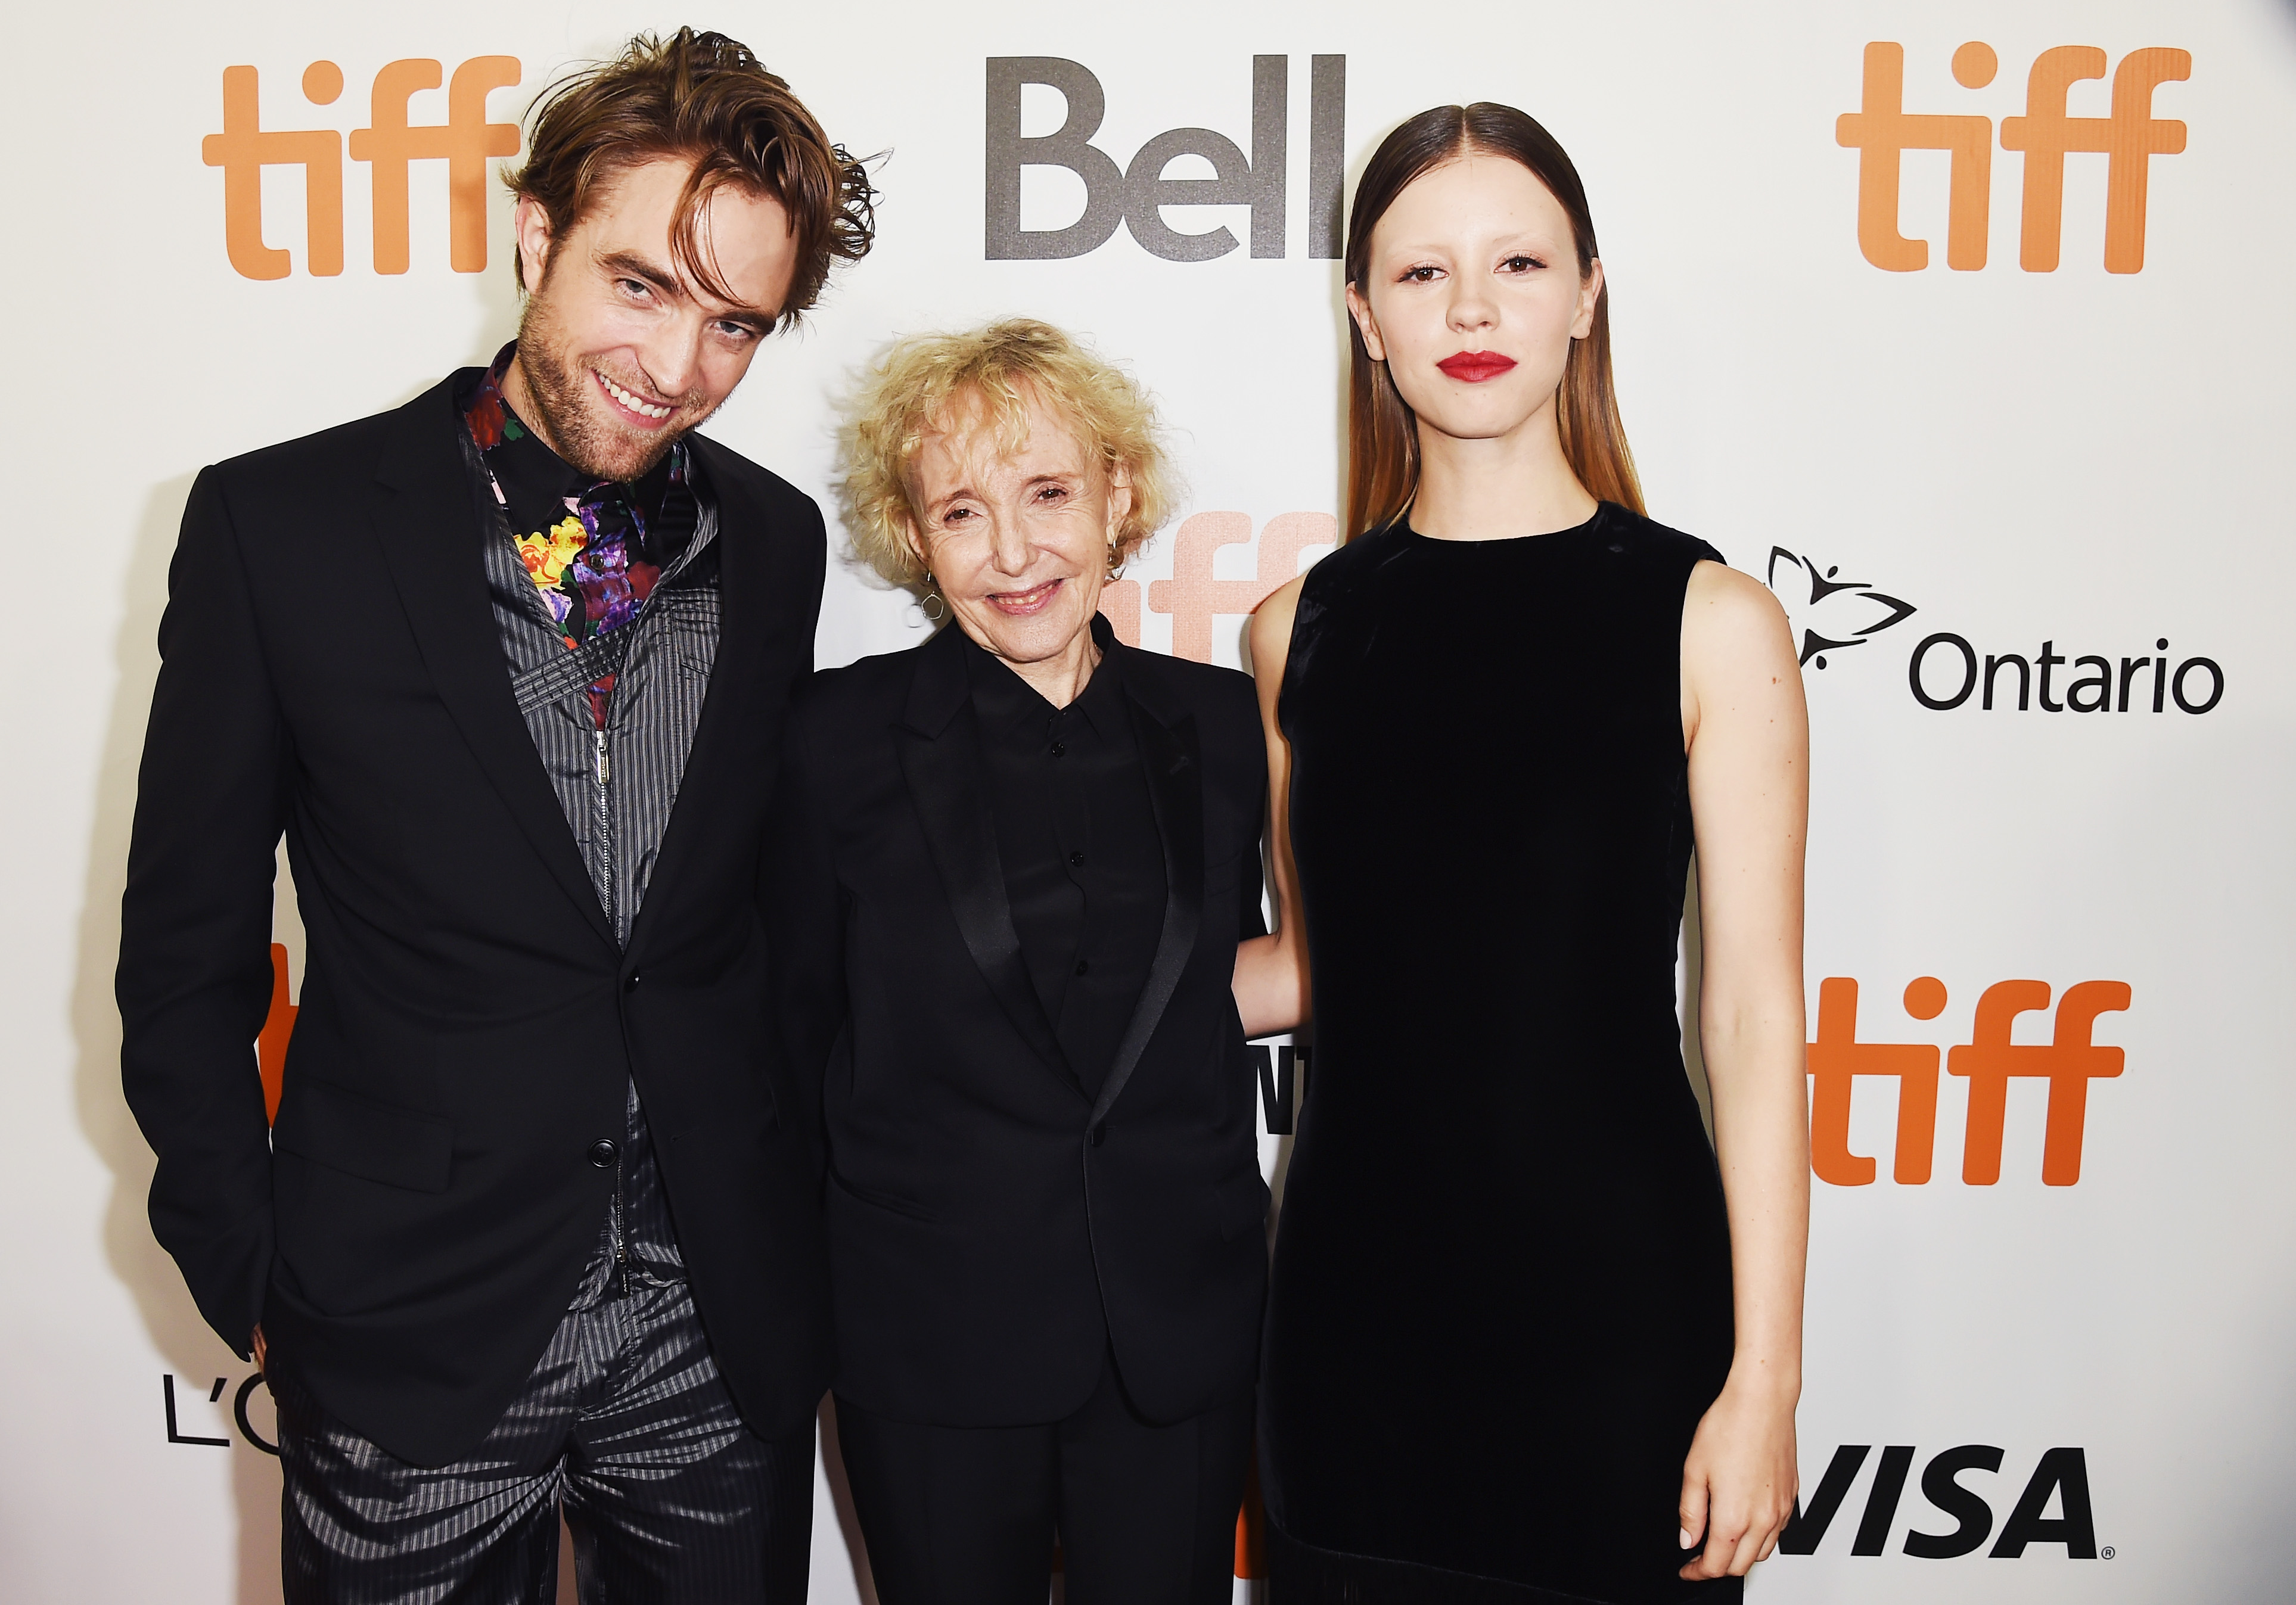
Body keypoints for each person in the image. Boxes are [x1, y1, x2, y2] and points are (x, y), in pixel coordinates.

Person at [116, 29, 873, 1604]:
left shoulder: (776, 542)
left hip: (705, 1333)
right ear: (534, 233)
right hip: (406, 1330)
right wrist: (249, 1266)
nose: (677, 369)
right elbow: (184, 945)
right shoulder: (283, 528)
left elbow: (750, 932)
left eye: (735, 323)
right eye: (640, 286)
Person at [1235, 104, 1812, 1603]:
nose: (1474, 309)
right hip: (1350, 1351)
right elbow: (1311, 966)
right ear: (1365, 317)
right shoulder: (1301, 629)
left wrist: (1766, 1381)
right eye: (1422, 275)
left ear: (1587, 294)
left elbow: (1749, 1018)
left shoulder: (1709, 620)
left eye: (1517, 263)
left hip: (1624, 1352)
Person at [763, 320, 1270, 1605]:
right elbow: (793, 1037)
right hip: (930, 1343)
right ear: (915, 538)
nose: (1014, 552)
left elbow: (1228, 983)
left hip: (1177, 1337)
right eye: (963, 511)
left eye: (1049, 494)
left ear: (1117, 496)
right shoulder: (832, 741)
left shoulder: (1221, 726)